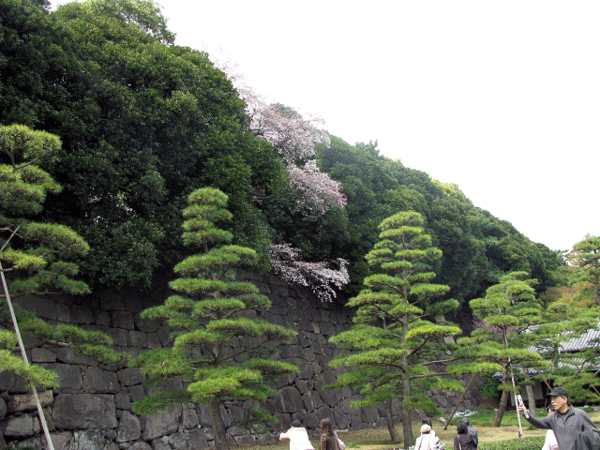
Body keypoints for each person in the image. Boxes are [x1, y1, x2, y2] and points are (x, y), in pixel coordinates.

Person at [518, 387, 599, 450]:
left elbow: (595, 433)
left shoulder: (580, 414)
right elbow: (538, 423)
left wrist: (583, 440)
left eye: (555, 398)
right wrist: (526, 414)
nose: (552, 401)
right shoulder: (552, 418)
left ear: (565, 399)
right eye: (551, 399)